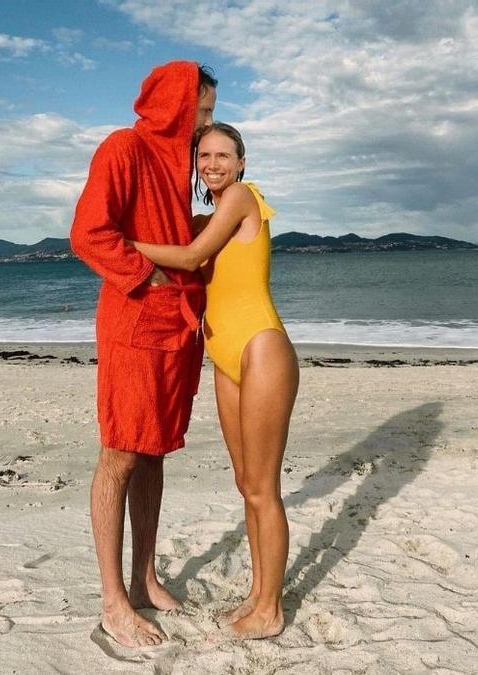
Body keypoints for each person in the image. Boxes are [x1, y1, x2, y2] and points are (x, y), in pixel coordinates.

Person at [128, 122, 299, 639]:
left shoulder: (243, 197)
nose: (213, 164)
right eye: (203, 156)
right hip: (224, 356)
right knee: (246, 485)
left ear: (242, 162)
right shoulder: (211, 215)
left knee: (263, 489)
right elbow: (180, 233)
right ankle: (257, 595)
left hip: (260, 347)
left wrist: (119, 241)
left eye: (224, 154)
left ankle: (270, 611)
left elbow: (190, 257)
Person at [68, 60, 217, 648]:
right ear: (176, 104)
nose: (206, 125)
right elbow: (88, 233)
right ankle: (112, 602)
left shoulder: (181, 163)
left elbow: (178, 231)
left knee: (153, 453)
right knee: (120, 454)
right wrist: (148, 273)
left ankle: (144, 577)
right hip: (134, 324)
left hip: (174, 329)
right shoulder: (123, 148)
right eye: (201, 112)